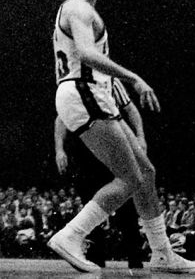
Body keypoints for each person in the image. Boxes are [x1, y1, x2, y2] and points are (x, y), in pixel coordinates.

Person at [46, 0, 195, 273]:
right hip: (81, 90)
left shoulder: (86, 10)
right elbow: (87, 54)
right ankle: (70, 235)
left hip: (91, 94)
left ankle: (162, 253)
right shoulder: (77, 8)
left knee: (145, 173)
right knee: (129, 178)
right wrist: (133, 77)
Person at [56, 80, 145, 267]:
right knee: (90, 199)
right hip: (87, 152)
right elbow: (61, 118)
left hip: (111, 147)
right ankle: (96, 256)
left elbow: (131, 109)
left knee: (125, 203)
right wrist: (59, 149)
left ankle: (135, 256)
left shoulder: (111, 82)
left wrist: (140, 137)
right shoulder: (73, 85)